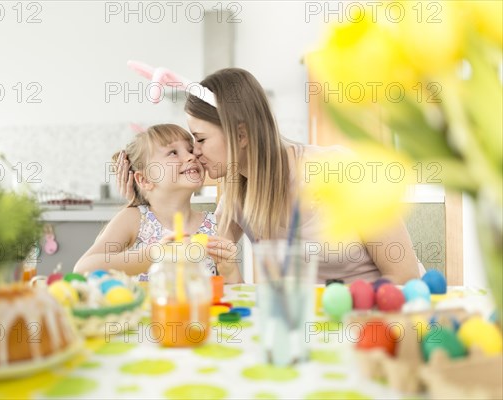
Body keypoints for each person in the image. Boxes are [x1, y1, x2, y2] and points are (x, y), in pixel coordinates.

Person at [116, 68, 421, 284]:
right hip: (307, 326)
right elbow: (200, 254)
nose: (194, 153)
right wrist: (142, 203)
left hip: (374, 324)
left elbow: (404, 277)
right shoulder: (236, 190)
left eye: (201, 139)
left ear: (242, 134)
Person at [74, 124, 240, 281]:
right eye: (173, 152)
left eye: (190, 150)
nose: (191, 156)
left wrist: (229, 271)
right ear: (144, 179)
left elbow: (238, 295)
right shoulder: (134, 219)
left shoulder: (218, 226)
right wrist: (153, 254)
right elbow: (83, 268)